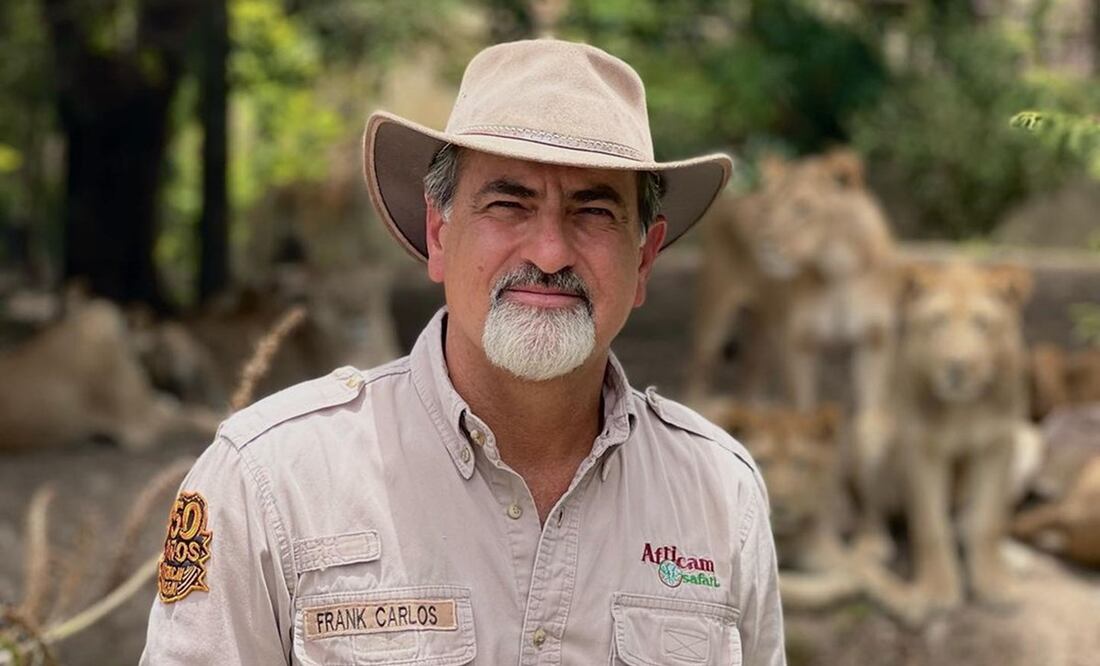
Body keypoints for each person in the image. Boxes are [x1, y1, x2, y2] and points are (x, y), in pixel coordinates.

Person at [142, 39, 785, 665]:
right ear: (438, 233)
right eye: (508, 204)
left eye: (593, 212)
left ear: (643, 259)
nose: (550, 252)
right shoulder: (273, 481)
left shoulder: (720, 496)